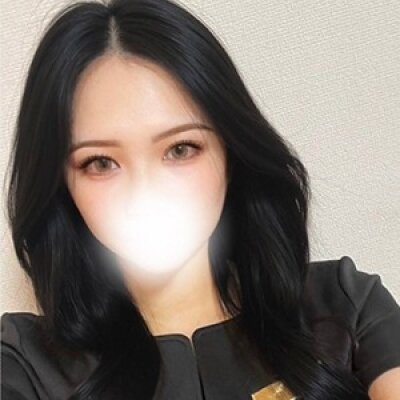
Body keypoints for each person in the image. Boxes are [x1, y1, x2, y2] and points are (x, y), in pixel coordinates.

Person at [1, 0, 400, 399]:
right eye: (101, 162)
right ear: (61, 182)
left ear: (230, 152)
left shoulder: (344, 305)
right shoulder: (23, 363)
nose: (145, 193)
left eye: (180, 149)